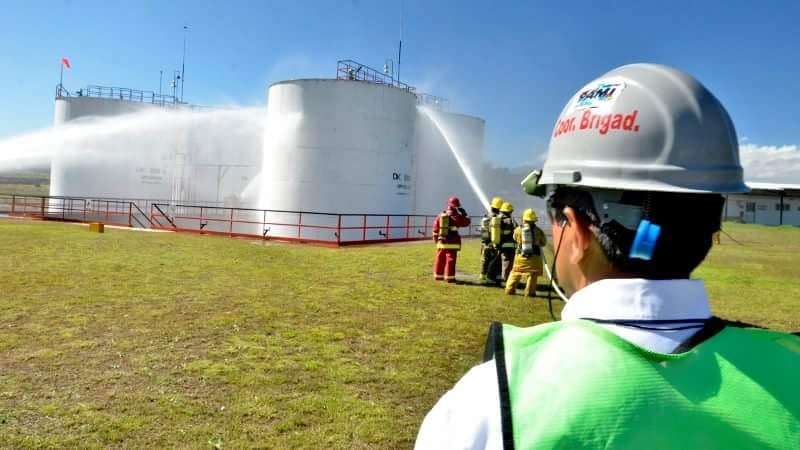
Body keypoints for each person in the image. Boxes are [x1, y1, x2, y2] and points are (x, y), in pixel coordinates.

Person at [416, 64, 799, 449]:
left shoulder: (490, 401)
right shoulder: (789, 368)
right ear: (709, 227)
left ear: (576, 230)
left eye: (554, 217)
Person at [505, 208, 547, 297]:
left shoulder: (518, 230)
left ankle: (509, 289)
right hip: (534, 258)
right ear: (534, 220)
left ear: (524, 219)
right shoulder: (538, 231)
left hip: (521, 256)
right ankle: (530, 292)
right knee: (532, 275)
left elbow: (514, 238)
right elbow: (543, 242)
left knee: (515, 273)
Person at [432, 196, 471, 283]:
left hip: (442, 241)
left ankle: (438, 276)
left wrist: (436, 240)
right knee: (450, 259)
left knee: (440, 258)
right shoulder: (458, 216)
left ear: (448, 205)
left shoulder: (441, 215)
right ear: (457, 206)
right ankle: (449, 277)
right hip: (453, 241)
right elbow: (467, 223)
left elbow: (435, 229)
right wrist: (465, 214)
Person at [479, 196, 505, 284]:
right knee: (495, 260)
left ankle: (483, 275)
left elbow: (483, 230)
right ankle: (494, 276)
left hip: (485, 242)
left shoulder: (486, 217)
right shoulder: (499, 218)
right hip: (495, 242)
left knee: (485, 259)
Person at [498, 202, 517, 281]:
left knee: (503, 262)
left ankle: (503, 278)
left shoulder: (498, 219)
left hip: (501, 244)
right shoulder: (510, 220)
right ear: (510, 211)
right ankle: (506, 279)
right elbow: (516, 230)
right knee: (508, 263)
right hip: (510, 246)